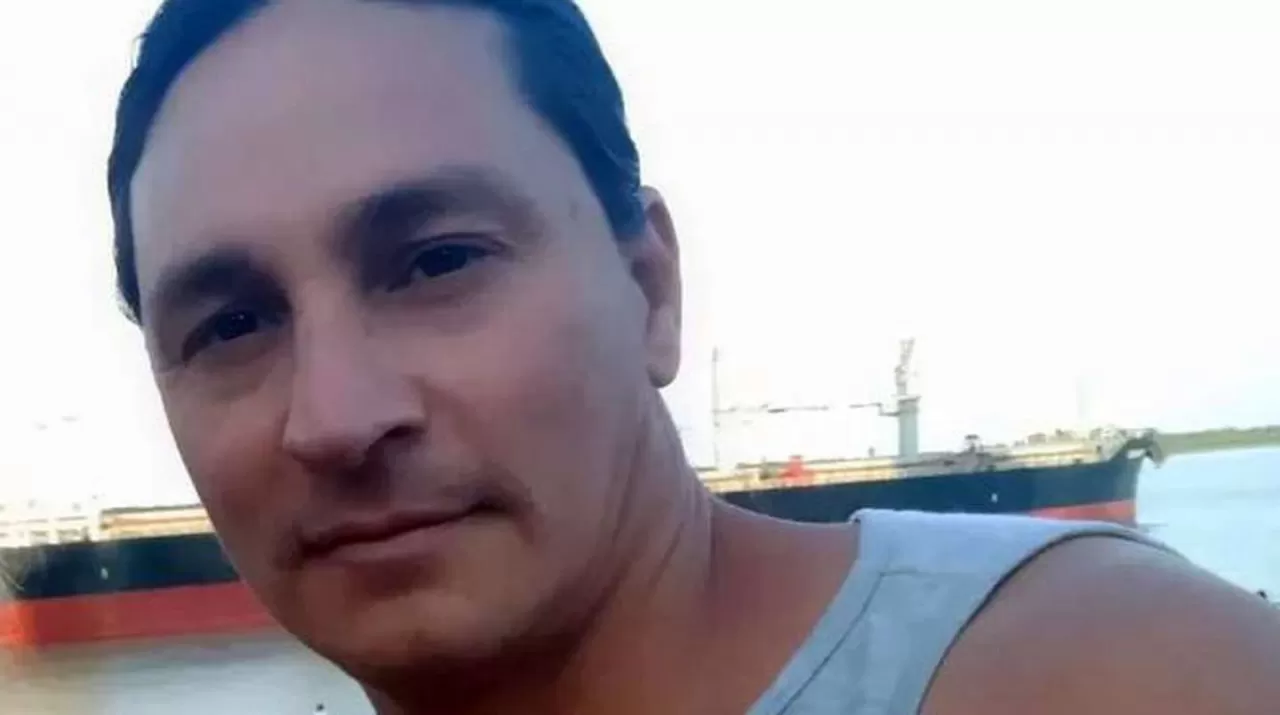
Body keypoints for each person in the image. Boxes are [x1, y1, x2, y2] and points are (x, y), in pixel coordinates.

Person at [106, 0, 1280, 713]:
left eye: (436, 261)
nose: (334, 414)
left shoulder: (1112, 672)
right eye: (232, 325)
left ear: (649, 287)